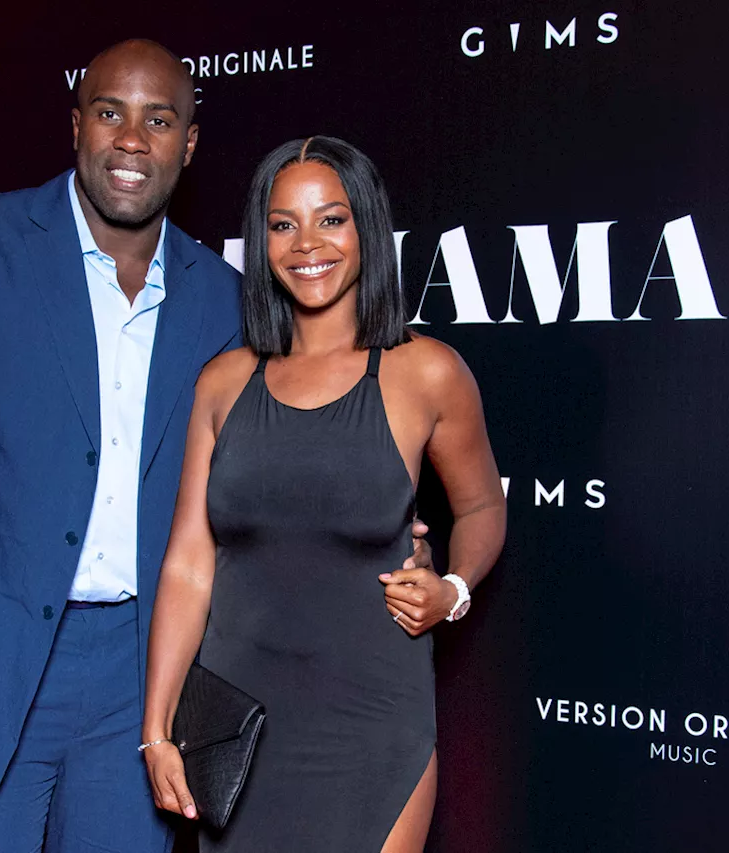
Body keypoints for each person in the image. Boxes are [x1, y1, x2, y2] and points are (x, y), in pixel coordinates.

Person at [0, 42, 432, 851]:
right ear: (76, 125)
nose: (132, 140)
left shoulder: (227, 302)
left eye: (159, 120)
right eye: (109, 112)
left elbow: (281, 474)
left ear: (187, 144)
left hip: (142, 684)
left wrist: (397, 541)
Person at [141, 135, 507, 853]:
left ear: (365, 225)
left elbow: (483, 506)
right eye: (282, 224)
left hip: (374, 727)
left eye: (331, 219)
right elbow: (188, 562)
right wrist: (156, 730)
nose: (307, 243)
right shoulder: (223, 381)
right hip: (235, 727)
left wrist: (455, 588)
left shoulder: (427, 372)